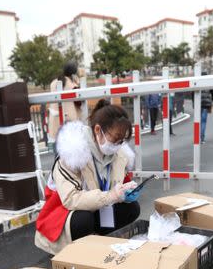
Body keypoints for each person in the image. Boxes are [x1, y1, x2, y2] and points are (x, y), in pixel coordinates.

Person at [35, 100, 140, 255]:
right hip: (64, 212)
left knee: (131, 208)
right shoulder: (71, 154)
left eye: (122, 140)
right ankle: (80, 254)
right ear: (98, 130)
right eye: (115, 138)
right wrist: (110, 196)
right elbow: (71, 199)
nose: (118, 144)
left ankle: (103, 242)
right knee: (83, 219)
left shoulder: (118, 155)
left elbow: (119, 185)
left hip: (97, 207)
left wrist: (127, 191)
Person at [48, 61, 83, 142]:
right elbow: (80, 102)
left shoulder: (53, 82)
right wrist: (78, 83)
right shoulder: (72, 85)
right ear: (74, 73)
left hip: (55, 122)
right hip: (70, 123)